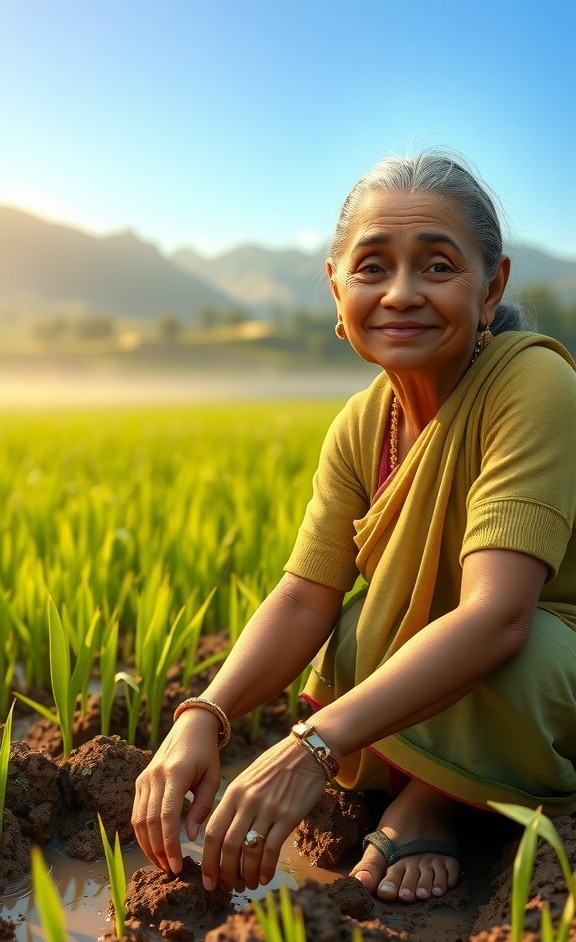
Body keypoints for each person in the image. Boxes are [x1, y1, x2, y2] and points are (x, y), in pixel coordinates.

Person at [132, 151, 576, 904]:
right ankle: (428, 772)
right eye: (372, 268)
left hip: (540, 651)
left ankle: (431, 798)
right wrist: (203, 715)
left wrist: (308, 748)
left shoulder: (534, 383)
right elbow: (305, 597)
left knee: (525, 655)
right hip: (455, 654)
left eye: (437, 266)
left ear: (491, 285)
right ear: (337, 289)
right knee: (347, 633)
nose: (401, 294)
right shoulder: (362, 424)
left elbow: (498, 616)